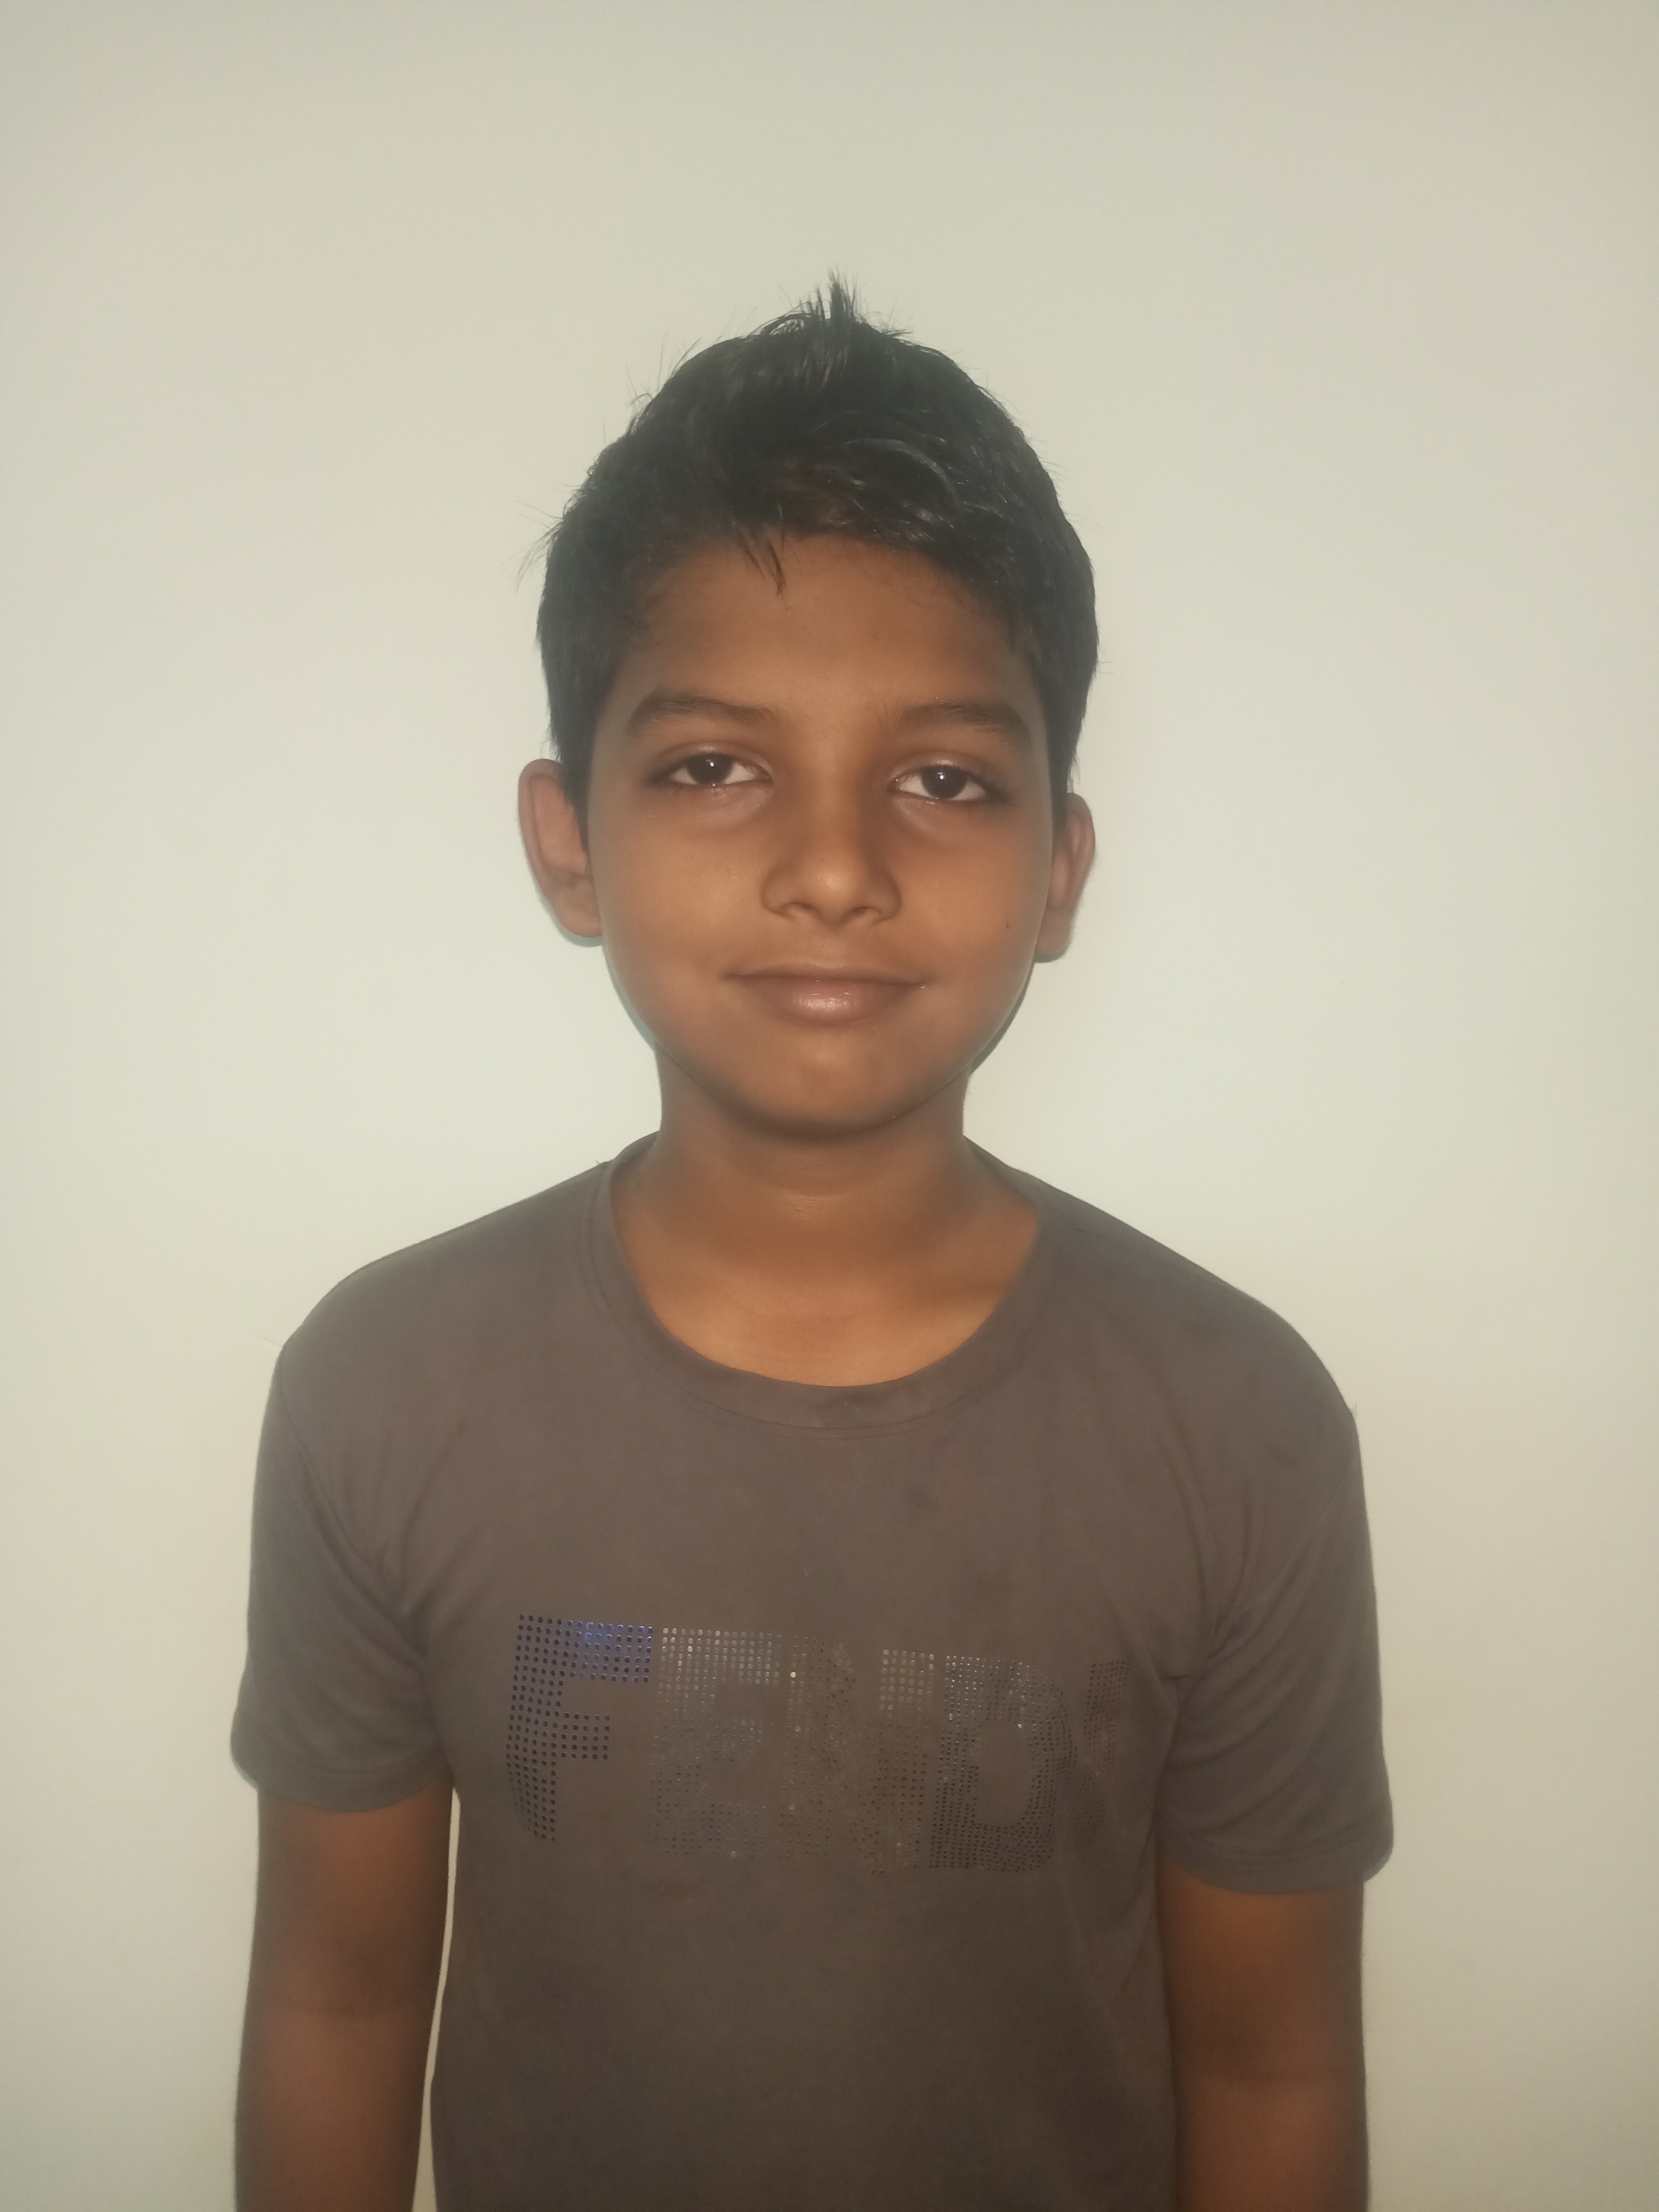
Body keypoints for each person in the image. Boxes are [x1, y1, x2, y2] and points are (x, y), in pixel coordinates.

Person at [232, 282, 1390, 2212]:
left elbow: (1272, 2067)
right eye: (714, 765)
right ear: (569, 843)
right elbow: (337, 2002)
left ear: (1059, 871)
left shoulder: (1237, 1427)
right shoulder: (386, 1388)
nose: (837, 868)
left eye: (944, 779)